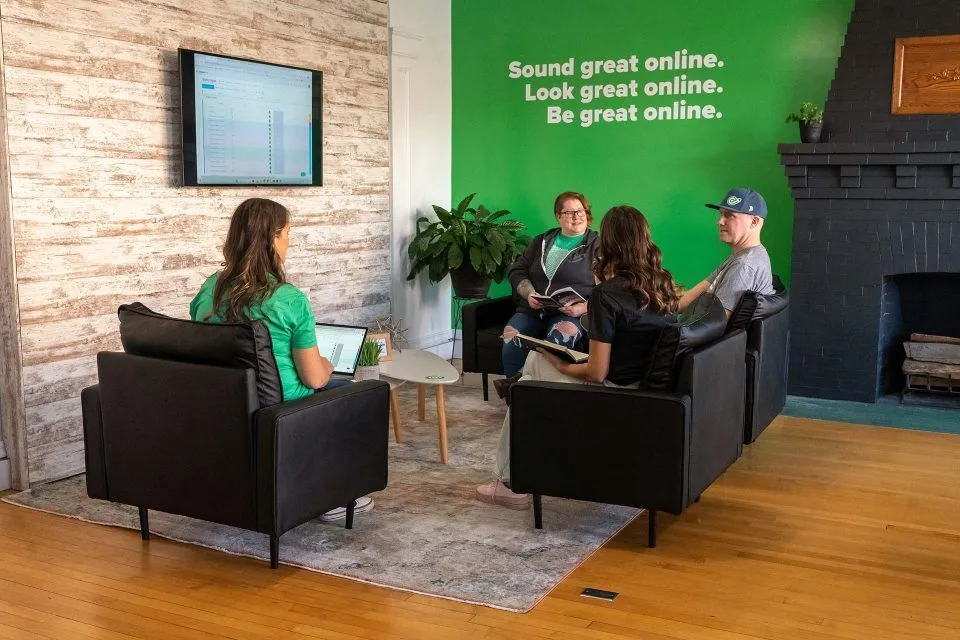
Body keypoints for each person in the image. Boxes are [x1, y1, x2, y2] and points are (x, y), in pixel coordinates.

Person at [477, 205, 680, 509]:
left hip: (615, 391)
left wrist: (560, 363)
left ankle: (508, 481)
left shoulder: (607, 294)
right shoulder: (661, 283)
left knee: (532, 368)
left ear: (609, 244)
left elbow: (597, 373)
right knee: (533, 374)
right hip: (644, 385)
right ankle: (525, 455)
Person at [189, 197, 372, 521]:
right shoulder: (288, 299)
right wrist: (327, 364)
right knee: (350, 389)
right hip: (278, 409)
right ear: (273, 239)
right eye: (287, 233)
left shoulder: (210, 289)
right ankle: (331, 495)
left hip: (221, 406)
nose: (289, 242)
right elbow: (314, 379)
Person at [494, 191, 600, 397]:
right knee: (510, 337)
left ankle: (544, 398)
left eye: (580, 211)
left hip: (572, 313)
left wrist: (582, 307)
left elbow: (607, 288)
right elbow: (517, 270)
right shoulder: (542, 241)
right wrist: (529, 294)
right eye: (569, 212)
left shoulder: (597, 245)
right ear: (558, 216)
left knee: (558, 341)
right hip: (533, 309)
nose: (577, 216)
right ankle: (515, 402)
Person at [678, 187, 775, 316]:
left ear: (754, 221)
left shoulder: (744, 266)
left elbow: (712, 325)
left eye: (729, 215)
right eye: (721, 214)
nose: (720, 221)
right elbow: (690, 297)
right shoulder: (739, 256)